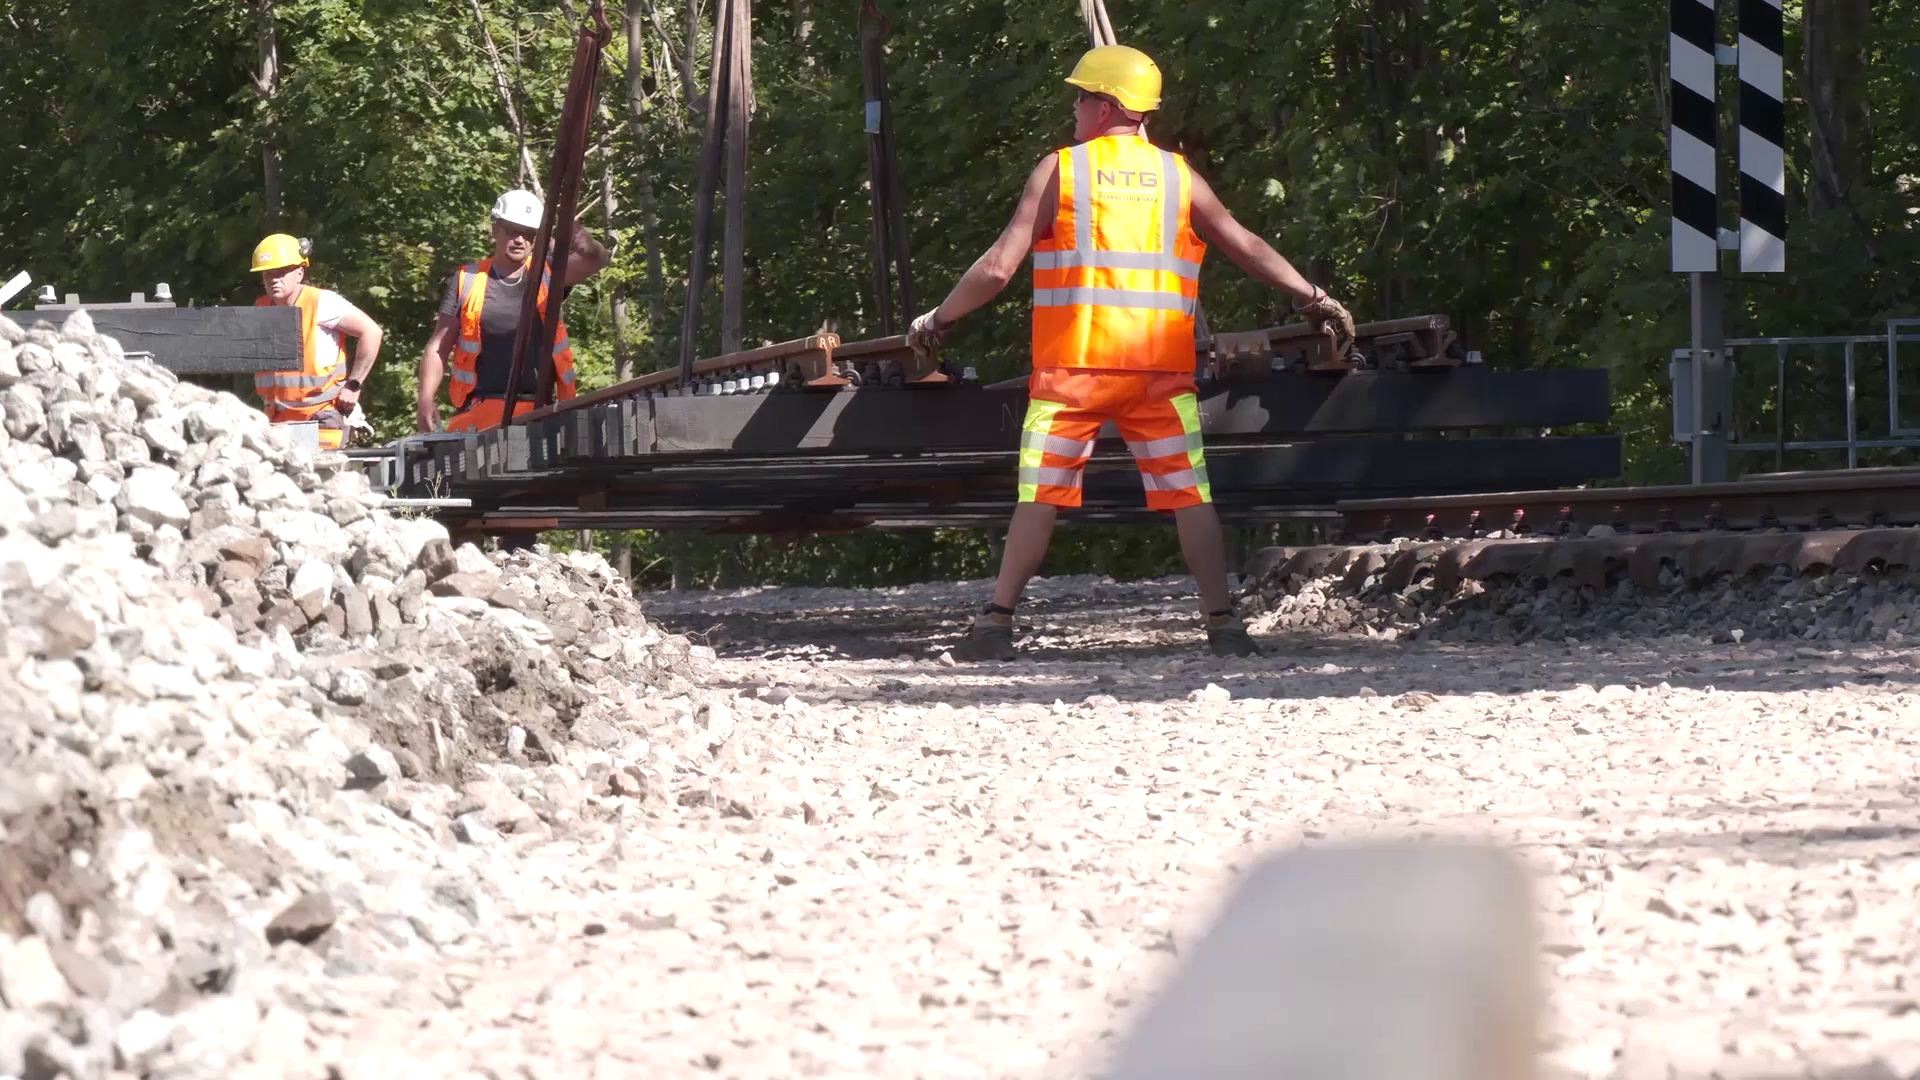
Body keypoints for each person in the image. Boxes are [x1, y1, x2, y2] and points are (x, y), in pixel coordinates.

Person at [906, 44, 1355, 661]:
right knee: (1190, 494)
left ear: (1107, 104)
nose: (1074, 106)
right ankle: (1222, 625)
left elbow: (998, 266)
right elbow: (1245, 245)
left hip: (1072, 370)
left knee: (1039, 494)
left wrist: (937, 318)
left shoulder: (1061, 170)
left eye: (1082, 95)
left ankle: (995, 624)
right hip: (1159, 370)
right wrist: (1315, 296)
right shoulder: (1178, 176)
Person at [416, 189, 611, 433]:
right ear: (495, 229)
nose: (520, 239)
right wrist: (425, 399)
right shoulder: (467, 279)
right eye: (512, 230)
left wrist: (587, 244)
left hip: (540, 411)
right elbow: (438, 346)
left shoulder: (548, 272)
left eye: (528, 233)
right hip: (479, 411)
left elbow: (596, 261)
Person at [250, 234, 385, 451]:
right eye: (268, 274)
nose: (274, 279)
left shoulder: (321, 302)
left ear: (299, 273)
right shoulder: (260, 309)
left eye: (281, 272)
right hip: (278, 423)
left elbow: (372, 332)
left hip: (321, 418)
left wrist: (353, 385)